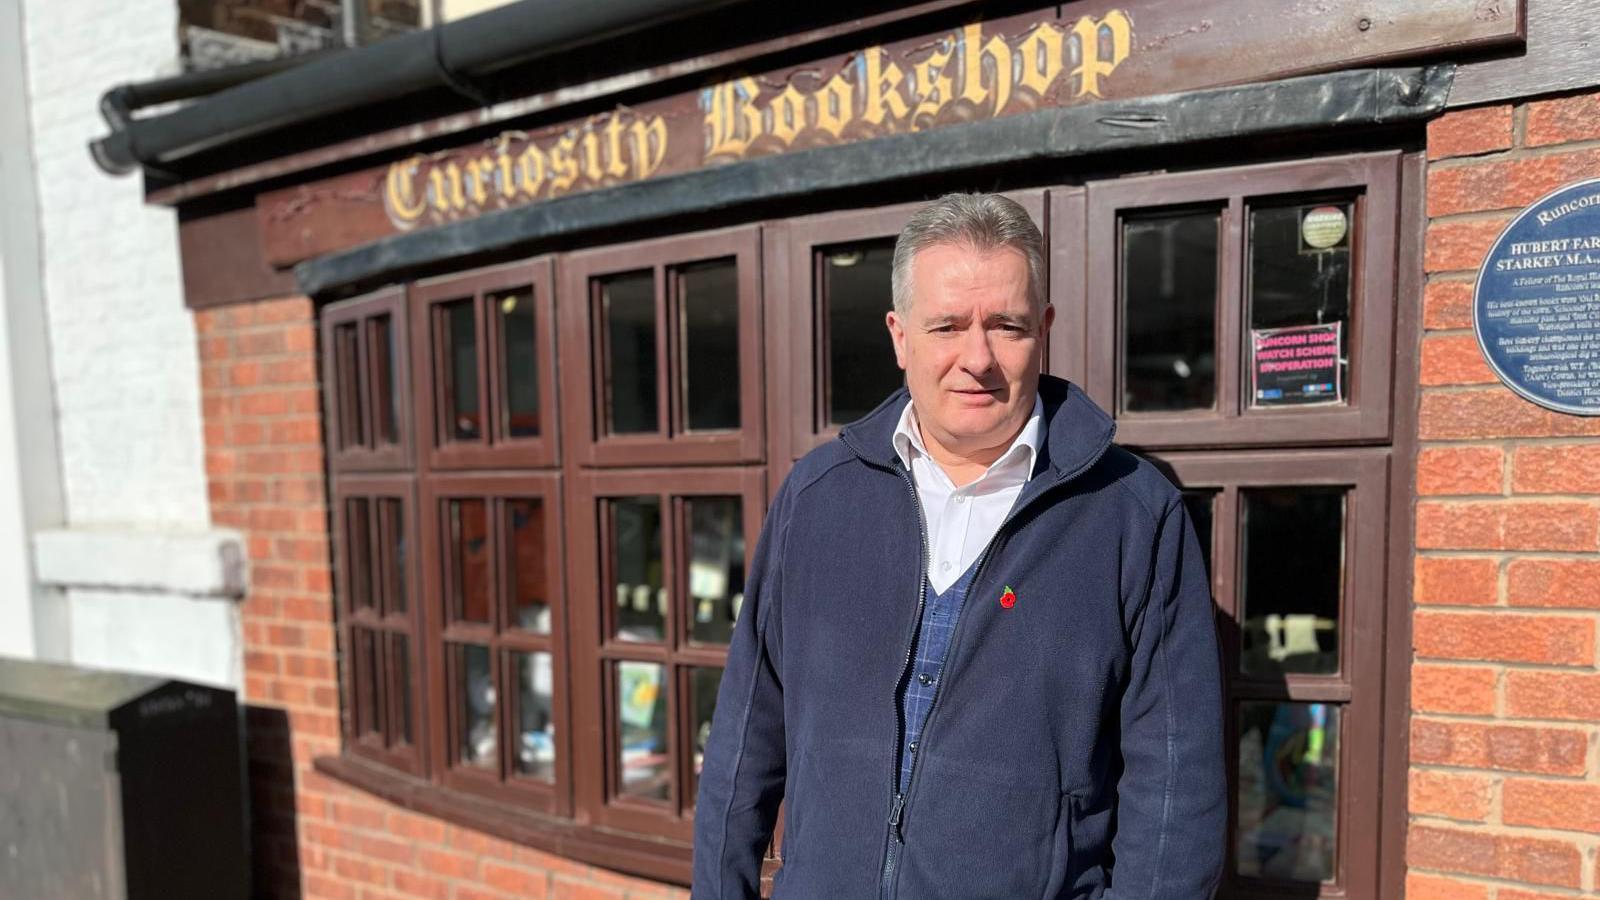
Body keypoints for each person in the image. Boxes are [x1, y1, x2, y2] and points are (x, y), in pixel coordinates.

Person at [692, 193, 1225, 898]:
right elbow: (743, 740)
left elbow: (1175, 803)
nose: (977, 358)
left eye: (1004, 324)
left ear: (1045, 328)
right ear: (900, 336)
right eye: (946, 325)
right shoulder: (817, 499)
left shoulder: (1132, 516)